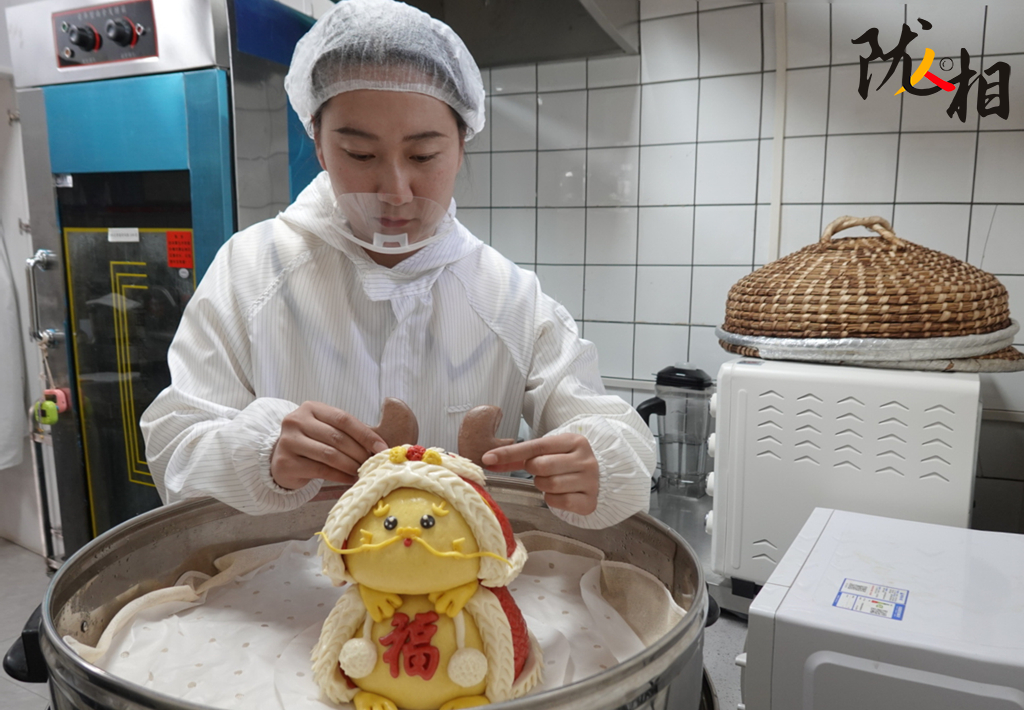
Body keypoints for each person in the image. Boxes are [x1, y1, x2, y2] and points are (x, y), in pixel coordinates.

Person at [140, 0, 655, 530]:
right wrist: (260, 455)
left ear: (461, 146)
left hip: (457, 580)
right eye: (360, 155)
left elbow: (612, 439)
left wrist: (598, 465)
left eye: (423, 156)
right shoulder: (251, 271)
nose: (395, 191)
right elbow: (177, 448)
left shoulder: (509, 297)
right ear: (319, 144)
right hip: (282, 576)